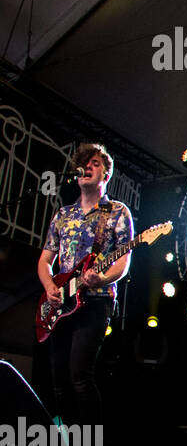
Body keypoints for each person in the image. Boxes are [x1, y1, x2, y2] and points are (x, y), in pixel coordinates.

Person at [37, 143, 134, 428]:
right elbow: (45, 261)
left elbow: (123, 259)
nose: (86, 167)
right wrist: (49, 288)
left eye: (94, 163)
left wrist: (102, 278)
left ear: (106, 173)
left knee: (80, 376)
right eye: (83, 164)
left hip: (96, 301)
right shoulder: (63, 215)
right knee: (58, 383)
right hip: (60, 302)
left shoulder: (117, 212)